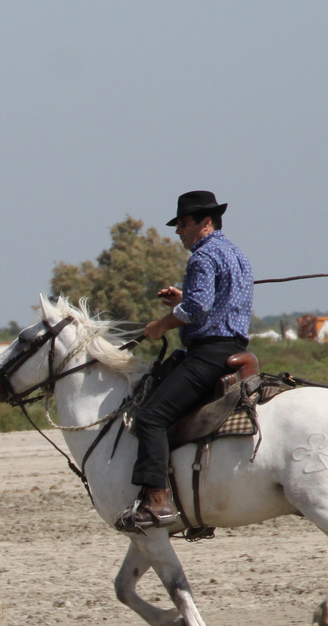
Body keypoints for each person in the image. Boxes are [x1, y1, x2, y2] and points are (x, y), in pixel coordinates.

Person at [118, 190, 255, 533]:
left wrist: (159, 326)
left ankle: (158, 500)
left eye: (183, 223)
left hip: (209, 353)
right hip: (231, 345)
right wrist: (183, 298)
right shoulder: (236, 253)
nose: (178, 230)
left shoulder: (202, 258)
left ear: (205, 221)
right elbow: (216, 303)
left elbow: (197, 310)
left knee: (150, 417)